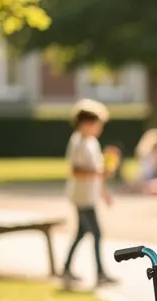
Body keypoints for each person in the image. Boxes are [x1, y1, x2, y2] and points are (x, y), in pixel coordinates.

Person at [61, 98, 117, 287]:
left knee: (82, 232)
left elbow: (97, 172)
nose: (99, 128)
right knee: (96, 233)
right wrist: (98, 172)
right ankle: (100, 272)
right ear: (86, 123)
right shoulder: (78, 142)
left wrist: (104, 190)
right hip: (82, 197)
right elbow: (76, 170)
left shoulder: (91, 142)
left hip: (89, 196)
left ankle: (66, 268)